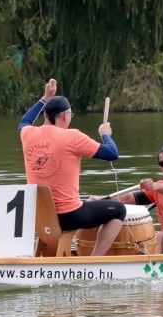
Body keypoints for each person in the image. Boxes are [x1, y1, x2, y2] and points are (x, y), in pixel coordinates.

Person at [18, 78, 126, 256]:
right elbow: (111, 153)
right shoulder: (72, 137)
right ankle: (94, 262)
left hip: (40, 217)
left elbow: (24, 120)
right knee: (118, 209)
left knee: (91, 204)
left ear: (45, 115)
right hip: (69, 216)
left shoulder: (28, 134)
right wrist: (106, 135)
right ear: (65, 116)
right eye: (70, 115)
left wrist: (45, 97)